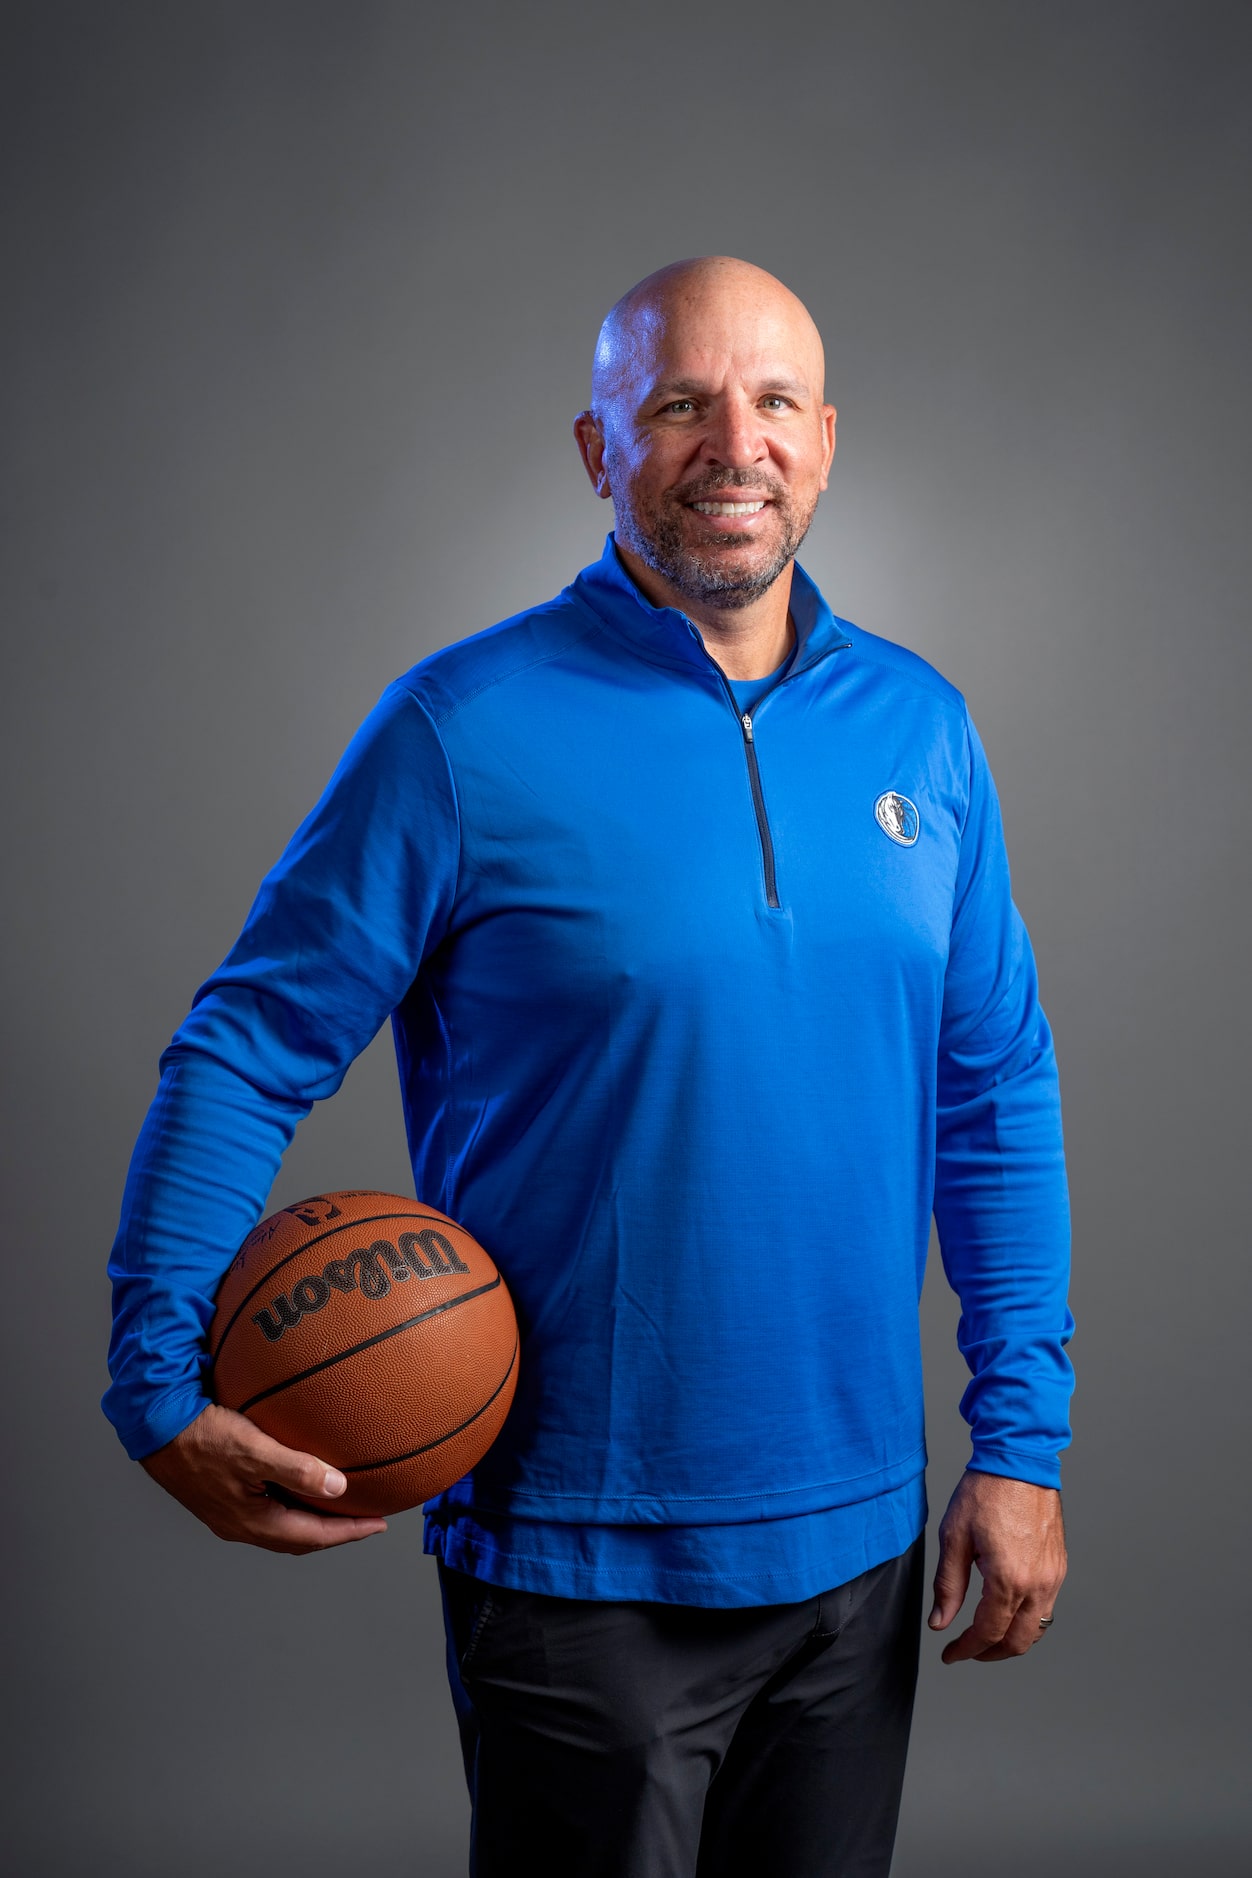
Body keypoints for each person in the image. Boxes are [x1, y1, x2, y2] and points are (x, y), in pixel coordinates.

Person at [106, 256, 1073, 1877]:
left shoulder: (924, 731)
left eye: (772, 402)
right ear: (596, 446)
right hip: (575, 1557)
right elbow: (249, 1043)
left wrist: (1024, 1443)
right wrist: (155, 1385)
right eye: (680, 401)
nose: (732, 441)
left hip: (858, 1547)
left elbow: (996, 1093)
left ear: (825, 442)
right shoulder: (459, 730)